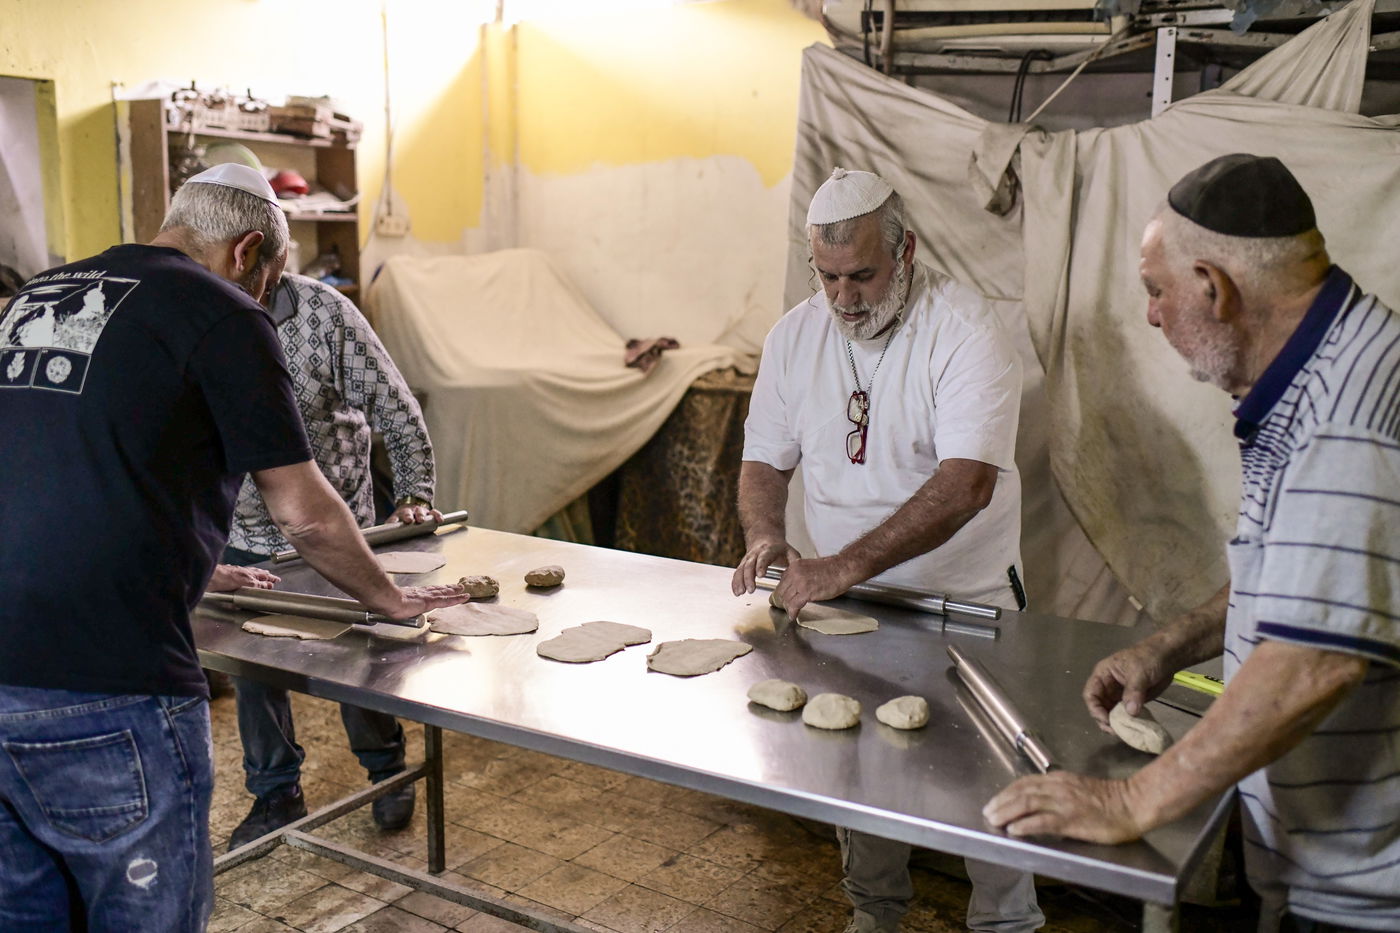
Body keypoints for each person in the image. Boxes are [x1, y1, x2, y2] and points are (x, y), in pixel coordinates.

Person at [0, 163, 465, 932]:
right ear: (249, 251)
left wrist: (197, 560)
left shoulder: (40, 295)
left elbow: (67, 464)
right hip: (106, 685)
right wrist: (390, 596)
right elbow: (305, 513)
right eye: (268, 280)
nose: (266, 299)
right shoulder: (219, 310)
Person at [983, 154, 1400, 933]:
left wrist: (1129, 799)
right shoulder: (1317, 372)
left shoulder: (1349, 416)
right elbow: (1298, 575)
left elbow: (1318, 657)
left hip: (1366, 894)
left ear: (1214, 287)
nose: (1150, 315)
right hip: (1312, 859)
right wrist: (1169, 646)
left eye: (1155, 291)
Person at [733, 167, 1042, 933]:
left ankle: (1006, 921)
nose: (844, 297)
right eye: (828, 276)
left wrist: (840, 563)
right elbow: (764, 461)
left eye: (863, 275)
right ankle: (874, 912)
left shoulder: (966, 328)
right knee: (858, 766)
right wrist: (767, 532)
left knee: (990, 785)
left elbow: (967, 483)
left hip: (965, 600)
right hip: (852, 608)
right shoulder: (795, 336)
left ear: (905, 254)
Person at [223, 272, 441, 850]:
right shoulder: (201, 313)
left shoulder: (324, 314)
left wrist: (415, 492)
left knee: (358, 656)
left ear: (252, 253)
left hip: (336, 530)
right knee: (254, 670)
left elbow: (394, 406)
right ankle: (275, 792)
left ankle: (387, 770)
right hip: (244, 531)